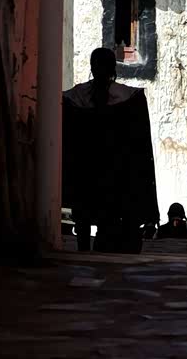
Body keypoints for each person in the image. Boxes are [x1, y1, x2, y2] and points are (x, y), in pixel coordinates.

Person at [62, 47, 159, 254]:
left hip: (85, 173)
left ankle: (83, 250)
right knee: (109, 215)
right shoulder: (130, 99)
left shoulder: (74, 98)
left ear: (92, 67)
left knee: (84, 216)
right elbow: (138, 147)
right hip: (115, 176)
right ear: (113, 68)